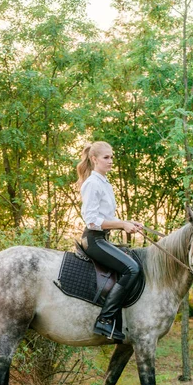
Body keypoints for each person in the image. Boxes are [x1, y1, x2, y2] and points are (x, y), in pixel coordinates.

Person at [76, 141, 143, 342]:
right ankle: (105, 320)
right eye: (106, 157)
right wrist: (122, 225)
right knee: (132, 269)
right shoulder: (92, 184)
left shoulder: (104, 182)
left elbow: (106, 216)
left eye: (112, 157)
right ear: (94, 159)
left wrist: (127, 223)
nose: (111, 161)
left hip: (103, 238)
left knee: (132, 262)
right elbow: (92, 220)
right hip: (93, 239)